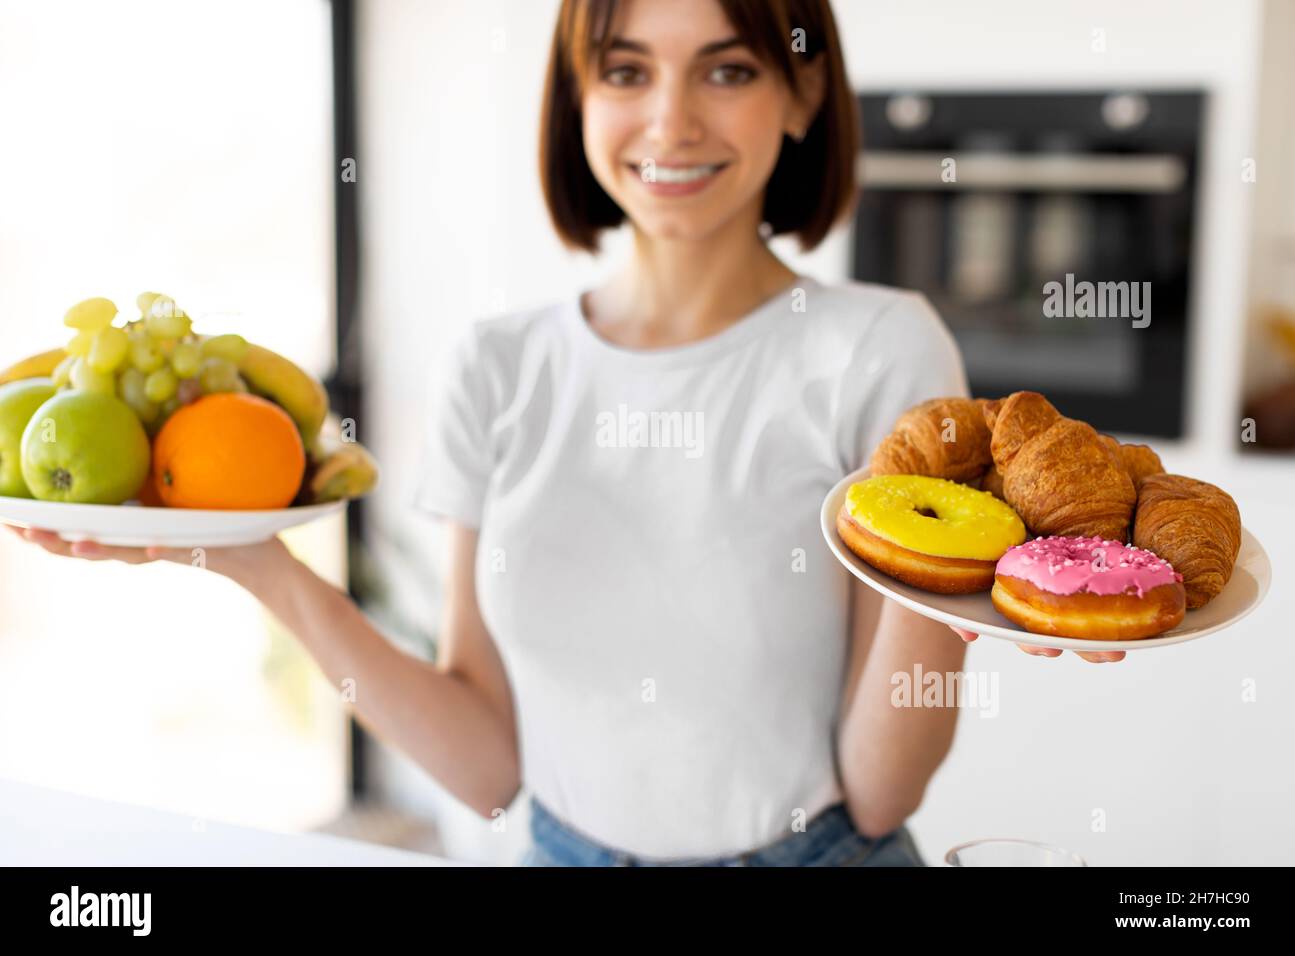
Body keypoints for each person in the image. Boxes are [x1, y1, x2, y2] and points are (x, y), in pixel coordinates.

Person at [7, 0, 1122, 868]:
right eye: (626, 70)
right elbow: (489, 766)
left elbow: (880, 790)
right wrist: (263, 568)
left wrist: (961, 589)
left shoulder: (881, 350)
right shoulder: (497, 366)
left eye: (727, 68)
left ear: (801, 91)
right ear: (577, 98)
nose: (670, 121)